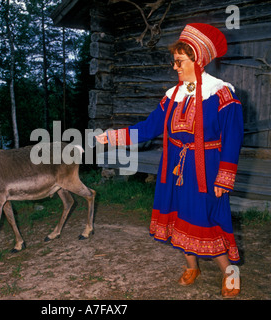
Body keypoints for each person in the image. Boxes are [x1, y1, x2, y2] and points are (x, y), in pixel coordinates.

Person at [96, 23, 243, 298]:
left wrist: (225, 176)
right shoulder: (173, 96)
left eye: (179, 61)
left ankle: (230, 272)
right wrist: (114, 136)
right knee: (179, 218)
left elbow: (233, 138)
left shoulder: (222, 95)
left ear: (197, 59)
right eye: (174, 61)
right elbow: (149, 127)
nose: (175, 67)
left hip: (207, 170)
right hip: (175, 168)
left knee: (209, 220)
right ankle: (192, 267)